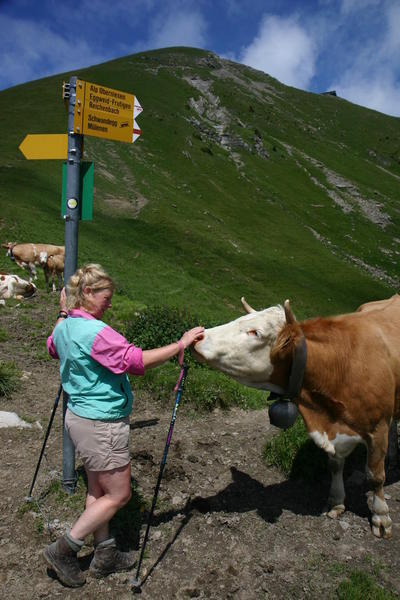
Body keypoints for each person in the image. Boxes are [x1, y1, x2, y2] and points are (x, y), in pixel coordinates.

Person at [44, 263, 204, 588]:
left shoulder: (64, 326)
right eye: (107, 296)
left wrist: (63, 313)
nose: (111, 304)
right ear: (87, 293)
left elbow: (51, 349)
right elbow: (136, 361)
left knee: (97, 489)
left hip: (77, 419)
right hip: (102, 424)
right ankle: (65, 549)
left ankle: (105, 553)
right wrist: (181, 345)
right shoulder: (96, 332)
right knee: (119, 496)